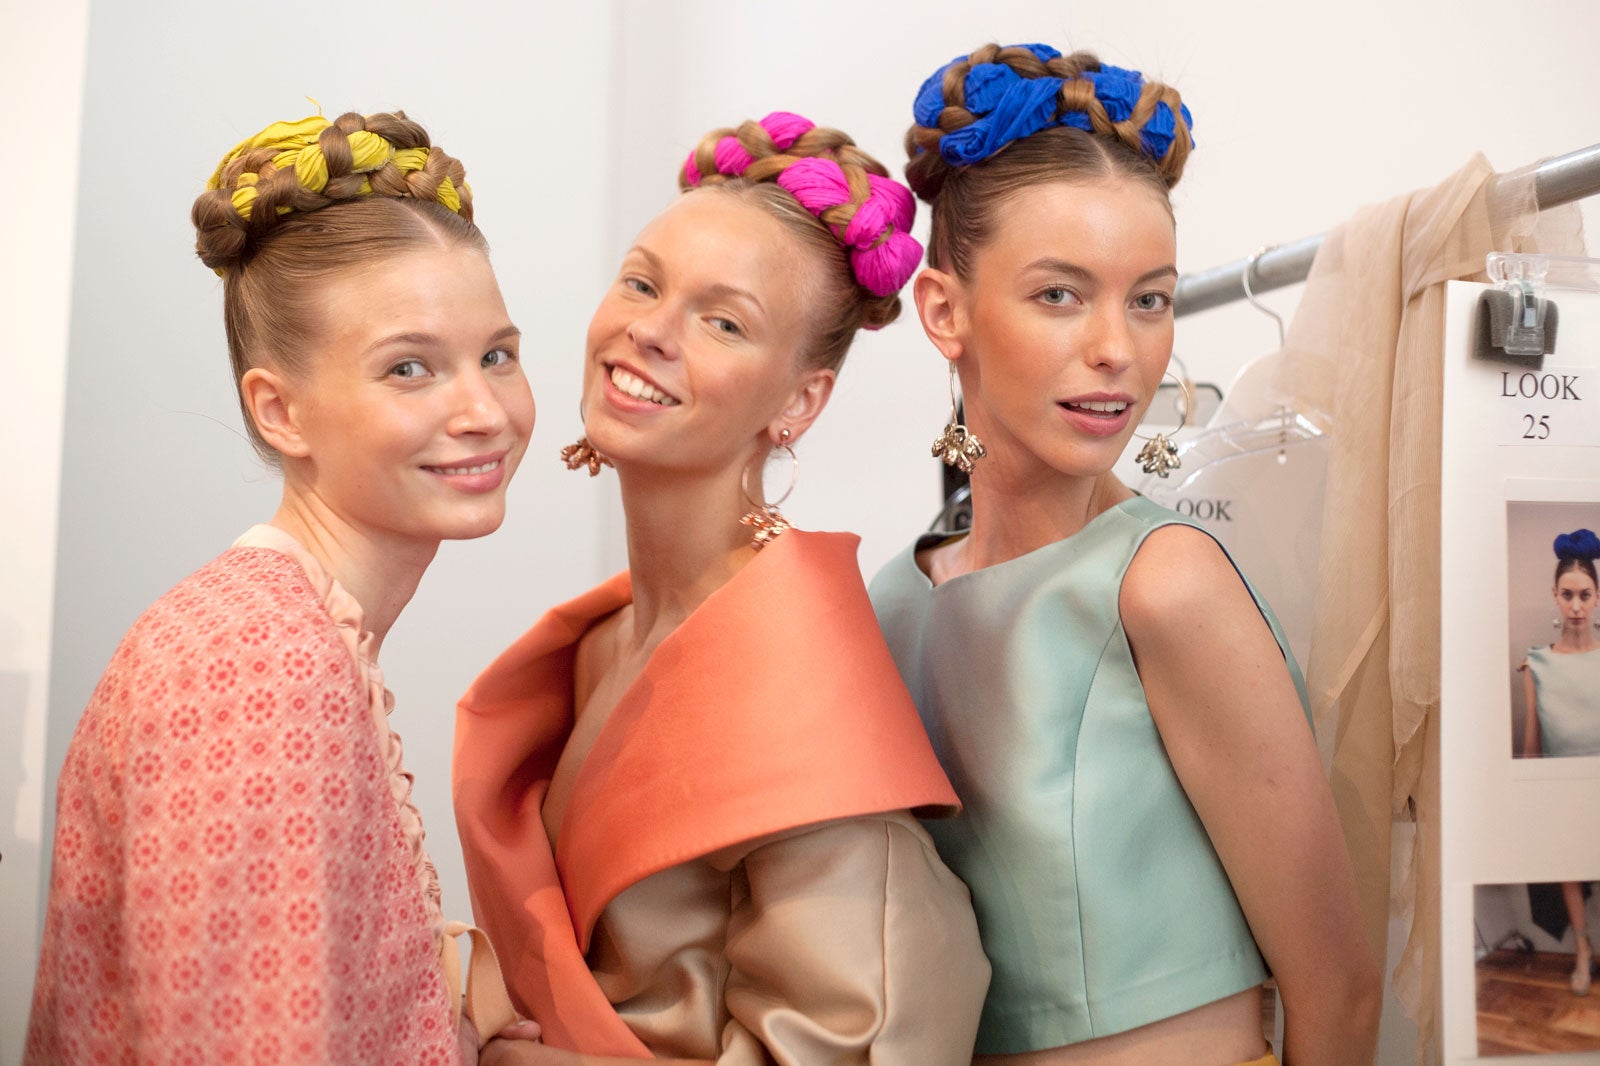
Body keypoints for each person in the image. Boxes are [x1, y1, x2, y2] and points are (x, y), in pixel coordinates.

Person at [867, 44, 1381, 1065]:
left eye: (1149, 299)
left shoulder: (1164, 585)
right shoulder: (892, 601)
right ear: (943, 311)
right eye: (1060, 295)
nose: (1118, 349)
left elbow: (1339, 993)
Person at [454, 110, 989, 1065]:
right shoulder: (601, 642)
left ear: (798, 401)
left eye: (723, 321)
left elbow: (860, 1041)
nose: (650, 331)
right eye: (642, 282)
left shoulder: (795, 679)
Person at [27, 110, 536, 1065]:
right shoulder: (257, 669)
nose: (483, 410)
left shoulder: (288, 633)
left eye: (497, 355)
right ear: (279, 411)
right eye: (410, 368)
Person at [1519, 527, 1600, 994]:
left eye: (1584, 595)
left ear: (1597, 598)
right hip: (1559, 786)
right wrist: (1530, 798)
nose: (1576, 605)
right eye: (1567, 595)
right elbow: (1532, 741)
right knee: (1569, 862)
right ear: (1555, 596)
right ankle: (1583, 950)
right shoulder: (1536, 664)